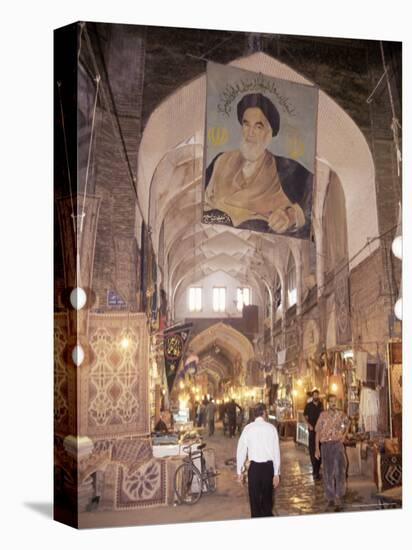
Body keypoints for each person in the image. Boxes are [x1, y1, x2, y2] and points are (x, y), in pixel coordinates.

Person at [204, 92, 312, 236]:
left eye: (258, 127)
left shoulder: (288, 169)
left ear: (269, 133)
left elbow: (316, 200)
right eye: (246, 124)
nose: (250, 133)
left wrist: (290, 216)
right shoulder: (221, 160)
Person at [236, 403, 281, 518]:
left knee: (254, 502)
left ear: (254, 414)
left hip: (254, 469)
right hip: (268, 468)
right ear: (264, 413)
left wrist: (239, 472)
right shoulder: (271, 429)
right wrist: (276, 474)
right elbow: (276, 452)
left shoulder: (248, 429)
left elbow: (241, 450)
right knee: (267, 501)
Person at [315, 394, 350, 511]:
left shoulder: (341, 414)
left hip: (338, 445)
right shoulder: (323, 415)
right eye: (331, 401)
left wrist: (344, 436)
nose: (333, 403)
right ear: (328, 403)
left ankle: (339, 495)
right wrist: (317, 448)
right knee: (328, 472)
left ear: (337, 402)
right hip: (326, 446)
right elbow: (318, 432)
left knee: (340, 470)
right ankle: (330, 497)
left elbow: (347, 424)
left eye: (335, 401)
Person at [303, 389, 324, 480]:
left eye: (317, 395)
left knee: (320, 449)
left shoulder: (321, 405)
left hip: (320, 431)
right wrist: (309, 425)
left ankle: (317, 470)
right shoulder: (308, 406)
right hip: (312, 431)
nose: (316, 396)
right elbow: (304, 417)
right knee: (312, 450)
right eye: (314, 395)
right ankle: (315, 471)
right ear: (312, 396)